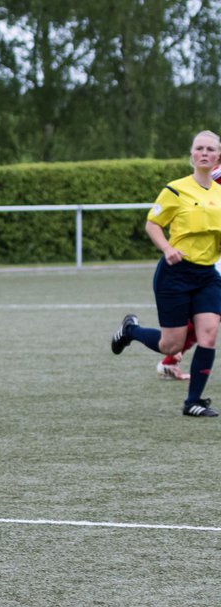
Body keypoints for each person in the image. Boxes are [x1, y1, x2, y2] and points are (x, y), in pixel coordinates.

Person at [112, 130, 221, 417]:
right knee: (169, 344)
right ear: (192, 155)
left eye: (211, 149)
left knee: (208, 334)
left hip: (207, 275)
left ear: (218, 156)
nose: (205, 153)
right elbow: (152, 224)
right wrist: (166, 248)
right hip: (175, 273)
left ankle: (193, 402)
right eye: (200, 148)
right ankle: (130, 330)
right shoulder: (175, 189)